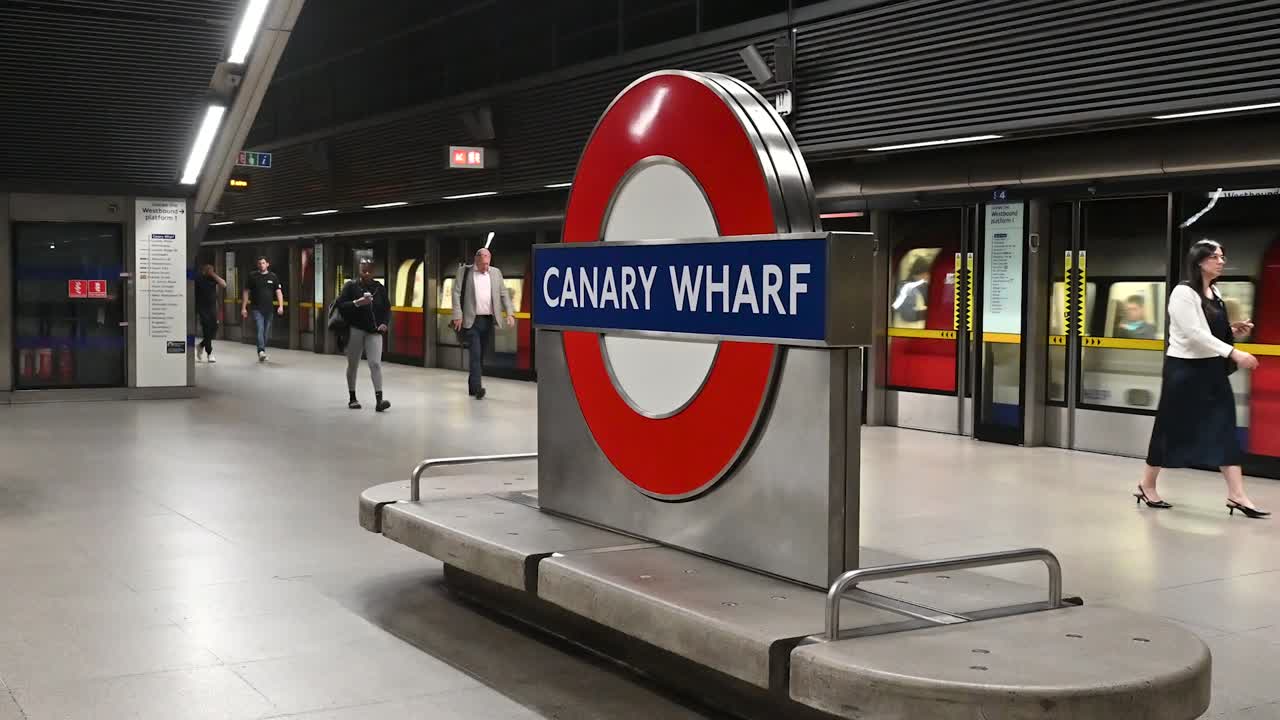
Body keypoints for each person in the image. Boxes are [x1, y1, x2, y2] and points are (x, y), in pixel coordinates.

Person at [1137, 240, 1268, 518]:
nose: (1221, 261)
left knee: (1224, 426)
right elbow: (1194, 334)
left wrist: (1233, 331)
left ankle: (1237, 494)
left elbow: (1209, 332)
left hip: (1211, 371)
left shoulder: (1215, 292)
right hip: (1184, 372)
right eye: (1216, 257)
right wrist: (1234, 352)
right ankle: (1147, 484)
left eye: (1223, 256)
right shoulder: (1183, 293)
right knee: (1169, 428)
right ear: (1200, 262)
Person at [451, 248, 515, 400]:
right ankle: (478, 388)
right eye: (483, 264)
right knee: (475, 354)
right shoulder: (464, 271)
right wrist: (457, 315)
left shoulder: (495, 273)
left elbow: (503, 293)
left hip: (488, 320)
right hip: (471, 320)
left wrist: (510, 313)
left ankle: (472, 387)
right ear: (477, 260)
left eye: (488, 264)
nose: (486, 267)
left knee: (480, 356)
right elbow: (456, 293)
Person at [337, 260, 391, 411]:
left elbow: (387, 308)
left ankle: (379, 401)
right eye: (363, 271)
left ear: (374, 272)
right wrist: (356, 303)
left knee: (375, 364)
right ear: (358, 271)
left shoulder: (379, 288)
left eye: (369, 271)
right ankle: (352, 398)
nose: (366, 274)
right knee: (353, 364)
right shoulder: (351, 286)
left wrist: (385, 323)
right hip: (355, 330)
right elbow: (341, 306)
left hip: (374, 331)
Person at [241, 256, 285, 362]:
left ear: (267, 264)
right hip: (256, 308)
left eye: (263, 263)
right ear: (257, 265)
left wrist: (281, 306)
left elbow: (278, 292)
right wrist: (244, 308)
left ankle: (262, 351)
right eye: (260, 263)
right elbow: (246, 292)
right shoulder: (252, 276)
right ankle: (260, 351)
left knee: (266, 332)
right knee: (260, 329)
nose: (262, 265)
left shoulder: (273, 277)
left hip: (269, 309)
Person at [193, 264, 226, 363]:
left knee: (214, 328)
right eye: (209, 270)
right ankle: (209, 353)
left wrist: (213, 275)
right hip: (202, 308)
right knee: (206, 329)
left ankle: (201, 345)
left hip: (212, 308)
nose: (211, 271)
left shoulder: (212, 278)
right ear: (204, 270)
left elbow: (224, 284)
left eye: (212, 270)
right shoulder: (198, 278)